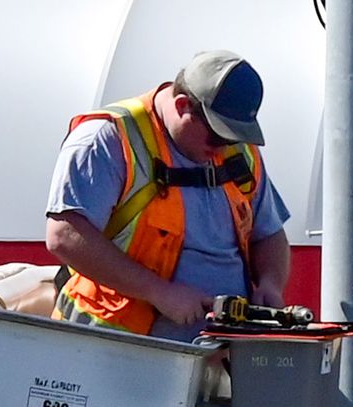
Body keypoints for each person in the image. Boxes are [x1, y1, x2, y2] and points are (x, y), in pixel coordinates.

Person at [44, 50, 291, 337]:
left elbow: (270, 234)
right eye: (217, 135)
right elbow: (64, 236)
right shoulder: (108, 139)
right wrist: (159, 292)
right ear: (183, 105)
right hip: (115, 347)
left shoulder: (238, 151)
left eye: (232, 137)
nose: (223, 148)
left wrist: (271, 284)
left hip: (219, 350)